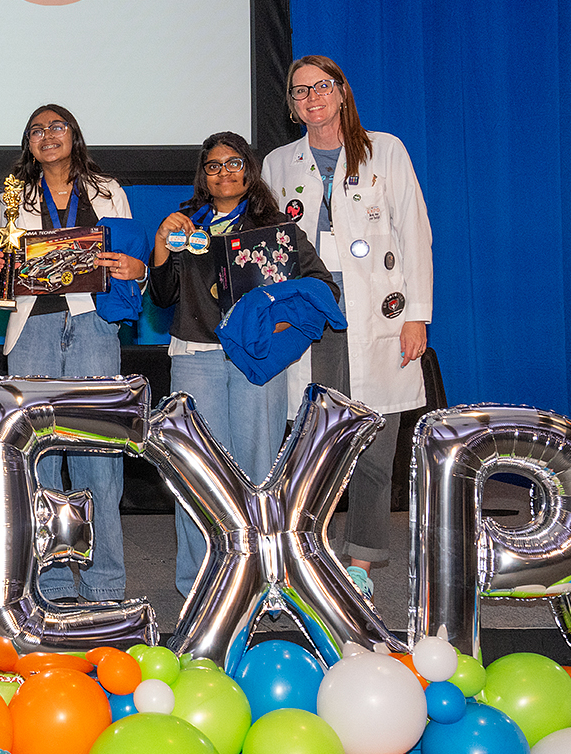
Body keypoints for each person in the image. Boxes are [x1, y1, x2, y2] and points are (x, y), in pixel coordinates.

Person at [262, 56, 432, 598]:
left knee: (376, 437)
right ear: (291, 106)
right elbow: (267, 243)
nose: (311, 98)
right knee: (313, 436)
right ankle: (308, 547)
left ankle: (362, 556)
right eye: (299, 92)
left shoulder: (386, 149)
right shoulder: (278, 163)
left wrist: (417, 316)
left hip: (378, 308)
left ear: (341, 92)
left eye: (321, 87)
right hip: (312, 309)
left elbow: (414, 232)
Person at [151, 131, 334, 597]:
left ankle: (263, 581)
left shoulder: (275, 227)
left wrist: (277, 323)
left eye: (233, 163)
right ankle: (199, 584)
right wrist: (160, 247)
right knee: (196, 470)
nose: (224, 172)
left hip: (254, 360)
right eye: (213, 165)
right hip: (196, 356)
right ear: (203, 176)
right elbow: (162, 296)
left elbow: (319, 287)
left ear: (249, 171)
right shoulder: (184, 225)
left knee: (258, 468)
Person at [0, 104, 147, 604]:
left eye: (56, 127)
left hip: (92, 326)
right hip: (33, 326)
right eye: (36, 130)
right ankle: (53, 582)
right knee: (38, 460)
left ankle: (105, 582)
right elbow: (7, 268)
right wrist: (0, 265)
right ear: (29, 143)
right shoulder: (13, 194)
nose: (47, 136)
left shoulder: (108, 190)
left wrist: (135, 268)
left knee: (98, 457)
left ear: (74, 135)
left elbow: (128, 259)